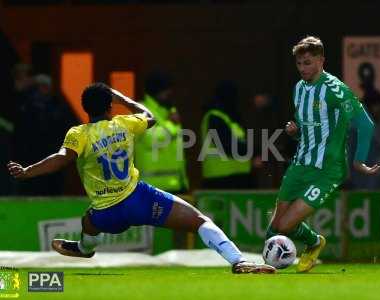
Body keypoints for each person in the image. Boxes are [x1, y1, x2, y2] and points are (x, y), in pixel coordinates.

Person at [7, 82, 275, 274]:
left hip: (107, 214)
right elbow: (149, 117)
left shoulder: (78, 133)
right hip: (140, 200)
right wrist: (123, 98)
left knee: (88, 220)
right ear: (110, 106)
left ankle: (86, 248)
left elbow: (61, 158)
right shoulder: (124, 123)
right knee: (199, 221)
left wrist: (28, 171)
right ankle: (238, 261)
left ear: (85, 108)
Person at [264, 36, 380, 273]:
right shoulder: (298, 89)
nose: (303, 69)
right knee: (275, 226)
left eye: (308, 63)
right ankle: (303, 246)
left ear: (321, 60)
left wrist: (359, 160)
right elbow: (309, 129)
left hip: (328, 169)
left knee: (286, 224)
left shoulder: (335, 89)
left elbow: (366, 125)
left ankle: (314, 242)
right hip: (300, 164)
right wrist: (295, 132)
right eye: (299, 64)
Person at [134, 71, 188, 194]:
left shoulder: (169, 110)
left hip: (177, 185)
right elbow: (151, 140)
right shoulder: (141, 111)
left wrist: (183, 182)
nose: (170, 93)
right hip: (153, 187)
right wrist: (172, 125)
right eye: (166, 90)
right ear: (156, 90)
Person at [201, 80, 253, 189]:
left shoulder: (230, 118)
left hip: (237, 178)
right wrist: (253, 152)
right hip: (221, 180)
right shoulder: (215, 117)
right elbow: (227, 145)